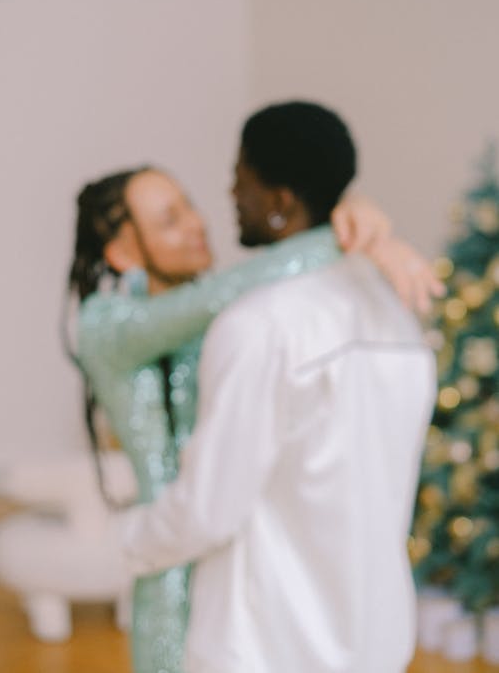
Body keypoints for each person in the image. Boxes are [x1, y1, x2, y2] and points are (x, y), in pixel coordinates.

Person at [71, 109, 441, 673]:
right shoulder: (110, 327)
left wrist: (345, 226)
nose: (209, 212)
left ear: (280, 197)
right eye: (169, 219)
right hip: (180, 587)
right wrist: (350, 232)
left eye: (232, 179)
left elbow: (212, 506)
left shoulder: (257, 324)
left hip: (251, 613)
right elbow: (241, 285)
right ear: (121, 253)